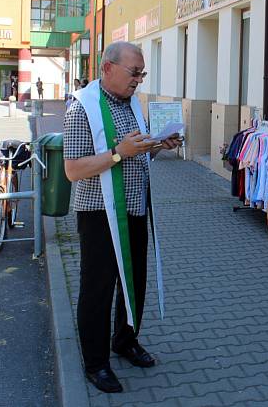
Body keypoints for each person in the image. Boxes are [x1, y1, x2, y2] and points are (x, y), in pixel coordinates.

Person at [63, 42, 181, 393]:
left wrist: (158, 145)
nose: (139, 81)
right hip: (99, 212)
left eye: (142, 74)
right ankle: (95, 363)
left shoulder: (131, 103)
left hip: (133, 207)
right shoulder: (81, 107)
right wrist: (118, 153)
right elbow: (72, 169)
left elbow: (137, 152)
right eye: (135, 73)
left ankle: (125, 341)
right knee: (98, 288)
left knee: (134, 280)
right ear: (107, 68)